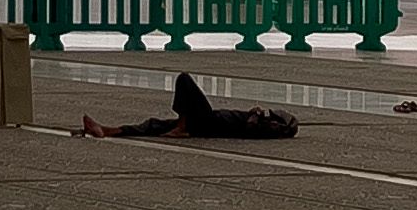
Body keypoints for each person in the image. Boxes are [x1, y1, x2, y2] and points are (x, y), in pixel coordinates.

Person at [81, 67, 298, 142]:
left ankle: (183, 128)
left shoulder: (263, 127)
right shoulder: (260, 123)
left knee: (184, 79)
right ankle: (107, 131)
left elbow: (254, 128)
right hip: (208, 123)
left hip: (211, 122)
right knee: (154, 125)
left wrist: (256, 114)